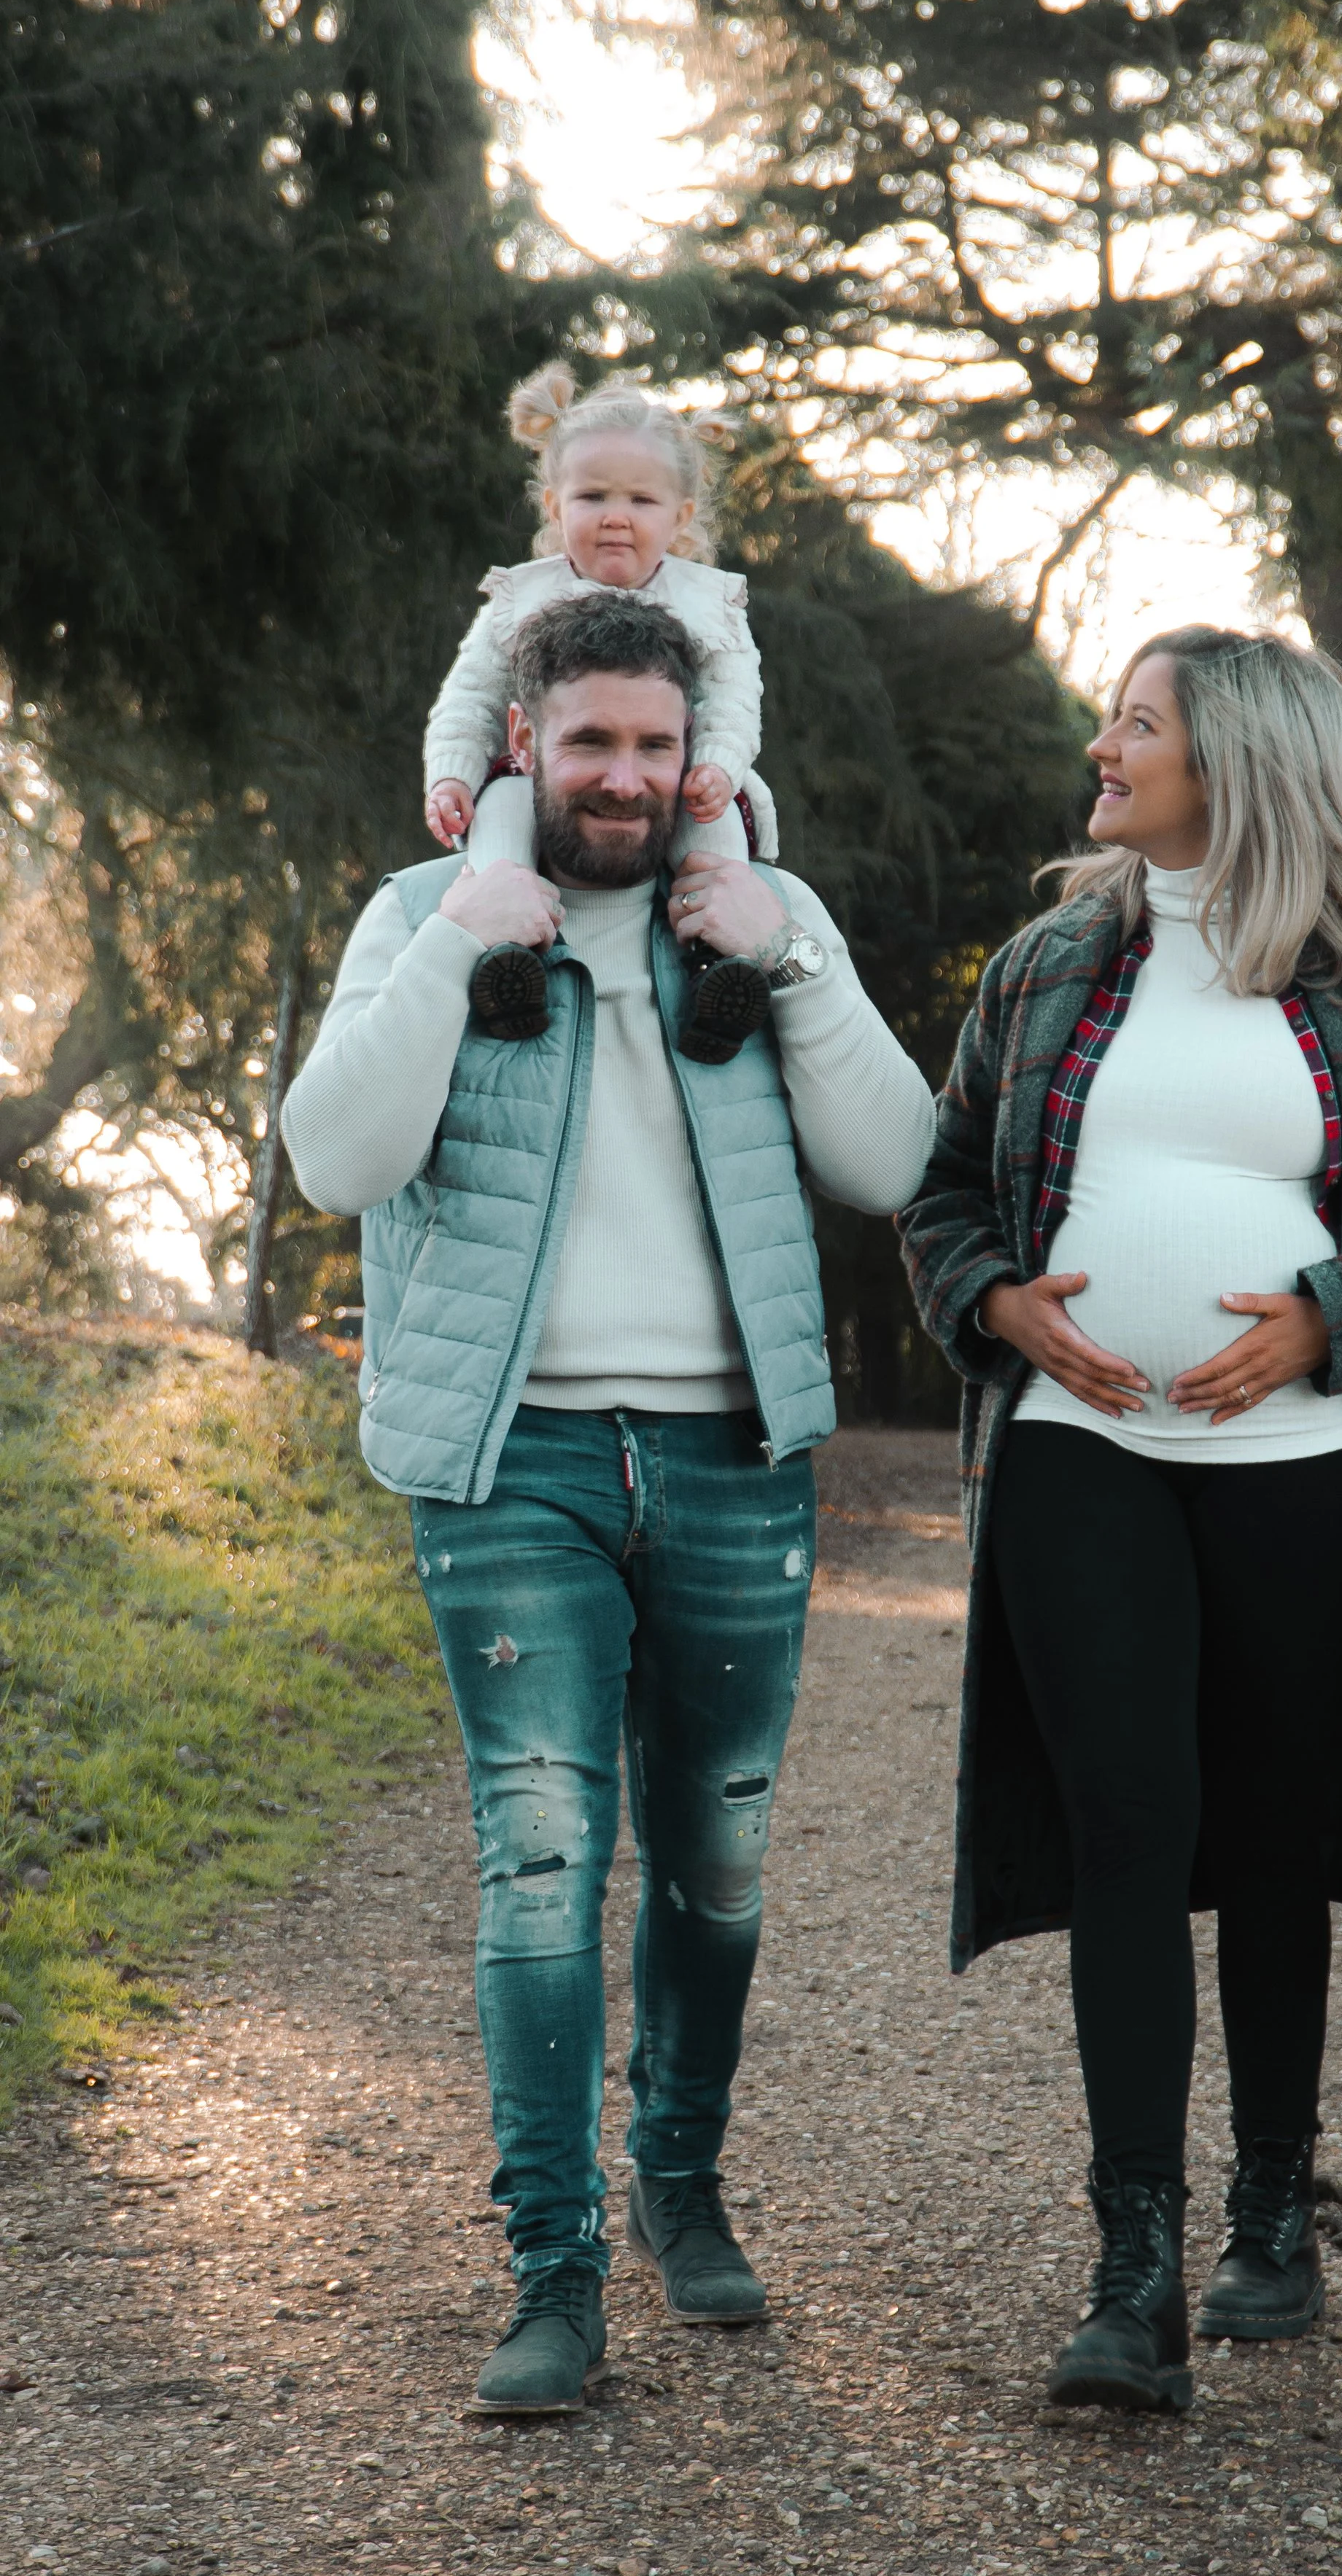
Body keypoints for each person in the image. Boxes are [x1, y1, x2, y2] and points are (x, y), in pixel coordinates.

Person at [897, 626, 1342, 2417]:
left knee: (1274, 1838)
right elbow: (946, 1195)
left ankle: (1272, 2206)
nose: (1105, 747)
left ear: (1239, 766)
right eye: (1116, 719)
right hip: (1077, 1452)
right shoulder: (1050, 962)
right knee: (1136, 1830)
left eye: (1142, 725)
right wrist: (998, 1306)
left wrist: (1328, 1317)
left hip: (1311, 1468)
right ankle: (1134, 2278)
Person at [284, 588, 934, 2416]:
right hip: (515, 1464)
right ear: (519, 749)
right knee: (546, 1857)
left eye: (655, 747)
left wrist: (789, 948)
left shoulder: (757, 919)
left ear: (691, 753)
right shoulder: (429, 917)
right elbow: (338, 1157)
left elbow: (895, 1159)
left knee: (715, 1856)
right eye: (591, 746)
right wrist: (461, 937)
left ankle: (681, 2178)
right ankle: (551, 2269)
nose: (626, 780)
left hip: (732, 1453)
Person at [422, 365, 772, 1062]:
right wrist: (453, 776)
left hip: (678, 775)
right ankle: (507, 954)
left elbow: (735, 699)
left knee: (717, 827)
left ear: (680, 516)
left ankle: (716, 963)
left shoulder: (708, 602)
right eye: (593, 496)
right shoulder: (523, 601)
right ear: (555, 507)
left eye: (642, 499)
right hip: (546, 778)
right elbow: (469, 698)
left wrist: (718, 764)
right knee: (501, 812)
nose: (617, 515)